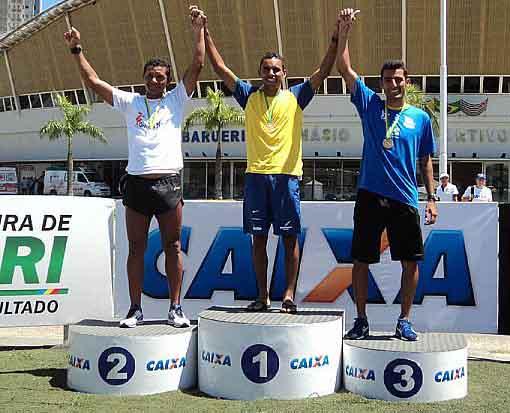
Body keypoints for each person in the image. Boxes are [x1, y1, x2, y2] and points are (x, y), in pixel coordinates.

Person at [64, 6, 207, 328]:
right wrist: (77, 49)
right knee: (135, 249)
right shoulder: (130, 103)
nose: (156, 80)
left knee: (172, 246)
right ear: (144, 79)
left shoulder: (176, 100)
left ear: (168, 81)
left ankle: (175, 308)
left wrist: (198, 29)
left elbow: (198, 64)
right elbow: (92, 80)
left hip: (169, 183)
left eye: (161, 77)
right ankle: (134, 309)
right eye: (151, 76)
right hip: (137, 185)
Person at [202, 12, 339, 314]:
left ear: (284, 73)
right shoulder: (248, 95)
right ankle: (263, 297)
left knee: (289, 239)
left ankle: (288, 295)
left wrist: (336, 37)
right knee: (258, 240)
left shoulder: (296, 97)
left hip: (287, 178)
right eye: (266, 69)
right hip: (256, 178)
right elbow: (220, 68)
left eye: (276, 70)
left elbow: (324, 70)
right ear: (260, 72)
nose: (271, 74)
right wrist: (205, 31)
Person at [336, 9, 437, 341]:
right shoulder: (370, 105)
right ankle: (361, 320)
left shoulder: (420, 118)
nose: (393, 84)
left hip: (405, 198)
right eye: (388, 80)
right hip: (369, 195)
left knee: (410, 262)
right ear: (380, 83)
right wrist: (345, 32)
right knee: (361, 261)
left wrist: (432, 197)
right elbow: (345, 69)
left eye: (399, 79)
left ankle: (404, 320)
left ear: (407, 82)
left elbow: (425, 161)